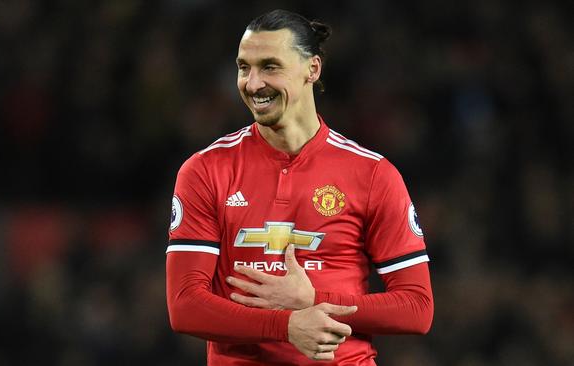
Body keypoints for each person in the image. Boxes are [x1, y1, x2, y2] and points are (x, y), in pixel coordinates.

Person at [166, 9, 434, 365]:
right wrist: (287, 324)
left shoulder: (372, 174)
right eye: (244, 67)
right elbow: (184, 306)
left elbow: (417, 308)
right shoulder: (205, 170)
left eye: (270, 66)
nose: (253, 82)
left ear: (313, 69)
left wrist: (313, 299)